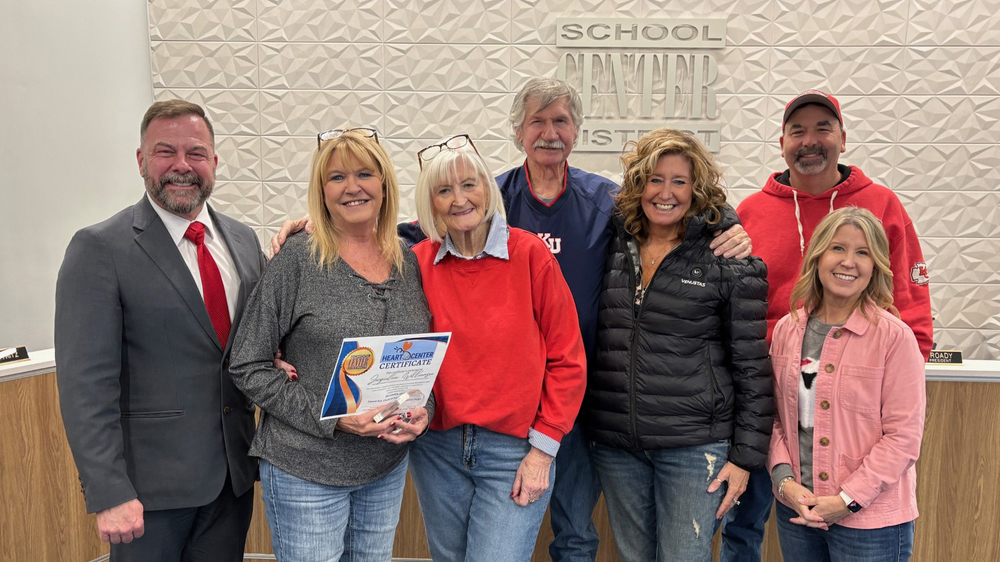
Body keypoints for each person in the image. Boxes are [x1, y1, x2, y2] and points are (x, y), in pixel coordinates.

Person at [269, 77, 753, 562]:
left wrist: (729, 225)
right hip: (442, 436)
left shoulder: (599, 205)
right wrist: (316, 226)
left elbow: (668, 205)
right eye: (537, 121)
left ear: (577, 130)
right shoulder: (442, 237)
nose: (460, 197)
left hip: (563, 410)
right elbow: (372, 255)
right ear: (518, 131)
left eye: (560, 121)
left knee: (575, 531)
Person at [722, 89, 934, 562]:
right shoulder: (751, 212)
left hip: (857, 404)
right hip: (766, 403)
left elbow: (911, 298)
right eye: (798, 131)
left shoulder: (881, 204)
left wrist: (898, 380)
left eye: (823, 129)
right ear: (782, 143)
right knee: (744, 526)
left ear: (843, 138)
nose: (810, 141)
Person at [54, 100, 266, 561]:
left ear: (214, 161)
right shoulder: (99, 248)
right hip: (146, 495)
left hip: (232, 481)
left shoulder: (244, 241)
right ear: (141, 160)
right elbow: (85, 384)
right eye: (165, 151)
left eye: (196, 153)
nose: (181, 165)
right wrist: (109, 490)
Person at [228, 128, 433, 562]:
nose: (352, 187)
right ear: (321, 192)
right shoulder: (298, 258)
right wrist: (335, 418)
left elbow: (416, 356)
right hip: (307, 470)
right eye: (337, 177)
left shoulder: (408, 260)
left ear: (384, 184)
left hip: (384, 468)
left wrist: (423, 410)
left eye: (364, 174)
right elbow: (247, 364)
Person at [585, 128, 773, 562]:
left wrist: (745, 458)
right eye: (655, 179)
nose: (665, 193)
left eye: (679, 182)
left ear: (697, 189)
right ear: (638, 185)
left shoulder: (728, 258)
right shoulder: (611, 244)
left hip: (694, 447)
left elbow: (752, 366)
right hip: (618, 444)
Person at [406, 135, 587, 562]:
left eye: (469, 184)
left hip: (514, 449)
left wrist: (542, 452)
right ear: (431, 203)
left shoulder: (531, 256)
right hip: (437, 448)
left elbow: (568, 360)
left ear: (488, 189)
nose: (459, 199)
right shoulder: (416, 263)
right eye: (444, 190)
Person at [768, 206, 925, 561]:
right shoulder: (787, 331)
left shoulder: (894, 338)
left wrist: (846, 500)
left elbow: (903, 437)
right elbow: (774, 419)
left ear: (876, 266)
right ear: (817, 256)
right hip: (798, 514)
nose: (848, 262)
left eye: (863, 253)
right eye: (837, 248)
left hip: (871, 525)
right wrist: (785, 483)